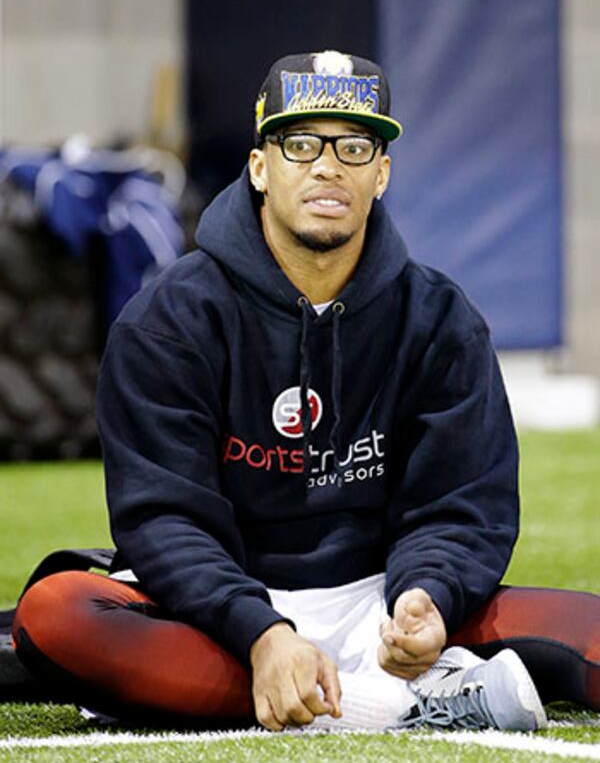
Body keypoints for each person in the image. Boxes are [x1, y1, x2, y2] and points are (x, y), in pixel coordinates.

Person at [12, 50, 599, 731]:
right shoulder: (168, 319)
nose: (328, 166)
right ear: (261, 166)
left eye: (355, 146)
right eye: (301, 144)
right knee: (56, 616)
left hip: (382, 610)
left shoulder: (441, 320)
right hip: (219, 616)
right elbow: (165, 519)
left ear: (382, 173)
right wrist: (259, 631)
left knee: (585, 627)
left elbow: (463, 504)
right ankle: (404, 707)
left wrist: (429, 600)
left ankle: (381, 688)